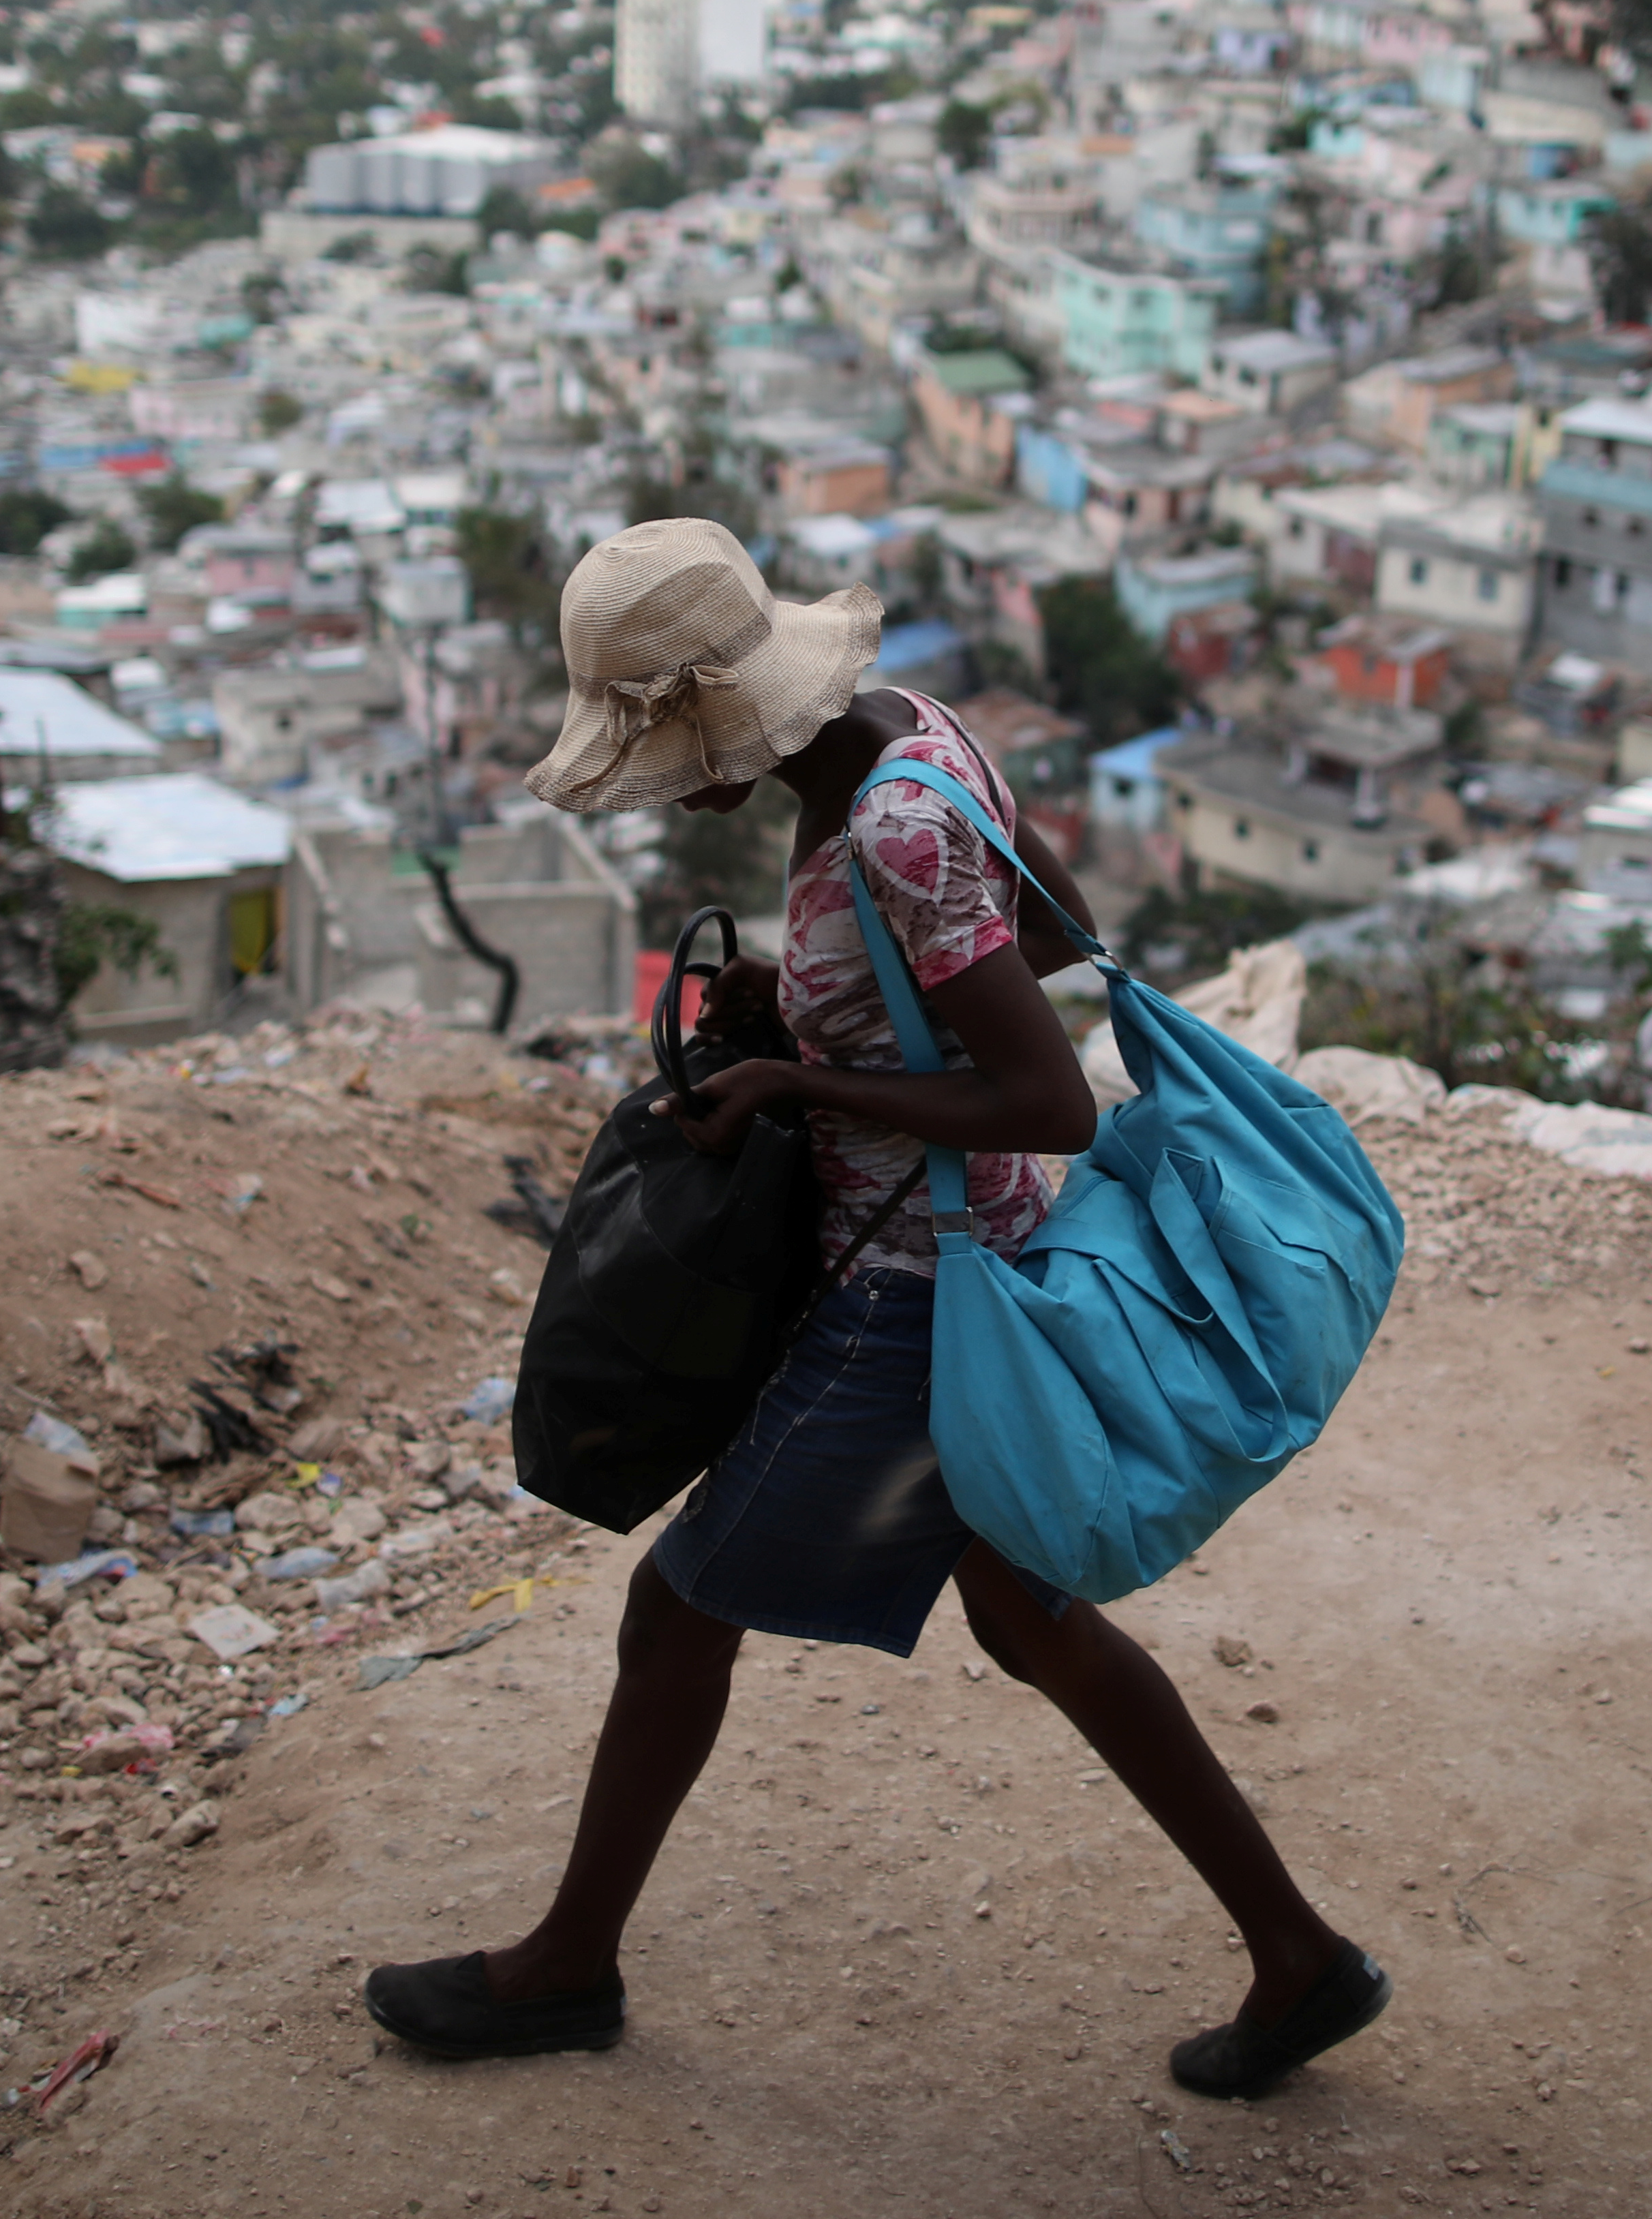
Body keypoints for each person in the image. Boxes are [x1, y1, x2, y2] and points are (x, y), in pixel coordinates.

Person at [361, 519, 1388, 2096]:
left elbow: (1049, 1097)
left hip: (914, 1294)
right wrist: (822, 1006)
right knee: (1032, 1619)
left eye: (666, 756)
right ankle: (1299, 1954)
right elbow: (1038, 920)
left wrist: (803, 1076)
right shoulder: (907, 735)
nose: (669, 792)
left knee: (679, 1607)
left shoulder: (890, 824)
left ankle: (566, 1965)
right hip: (963, 1253)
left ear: (720, 715)